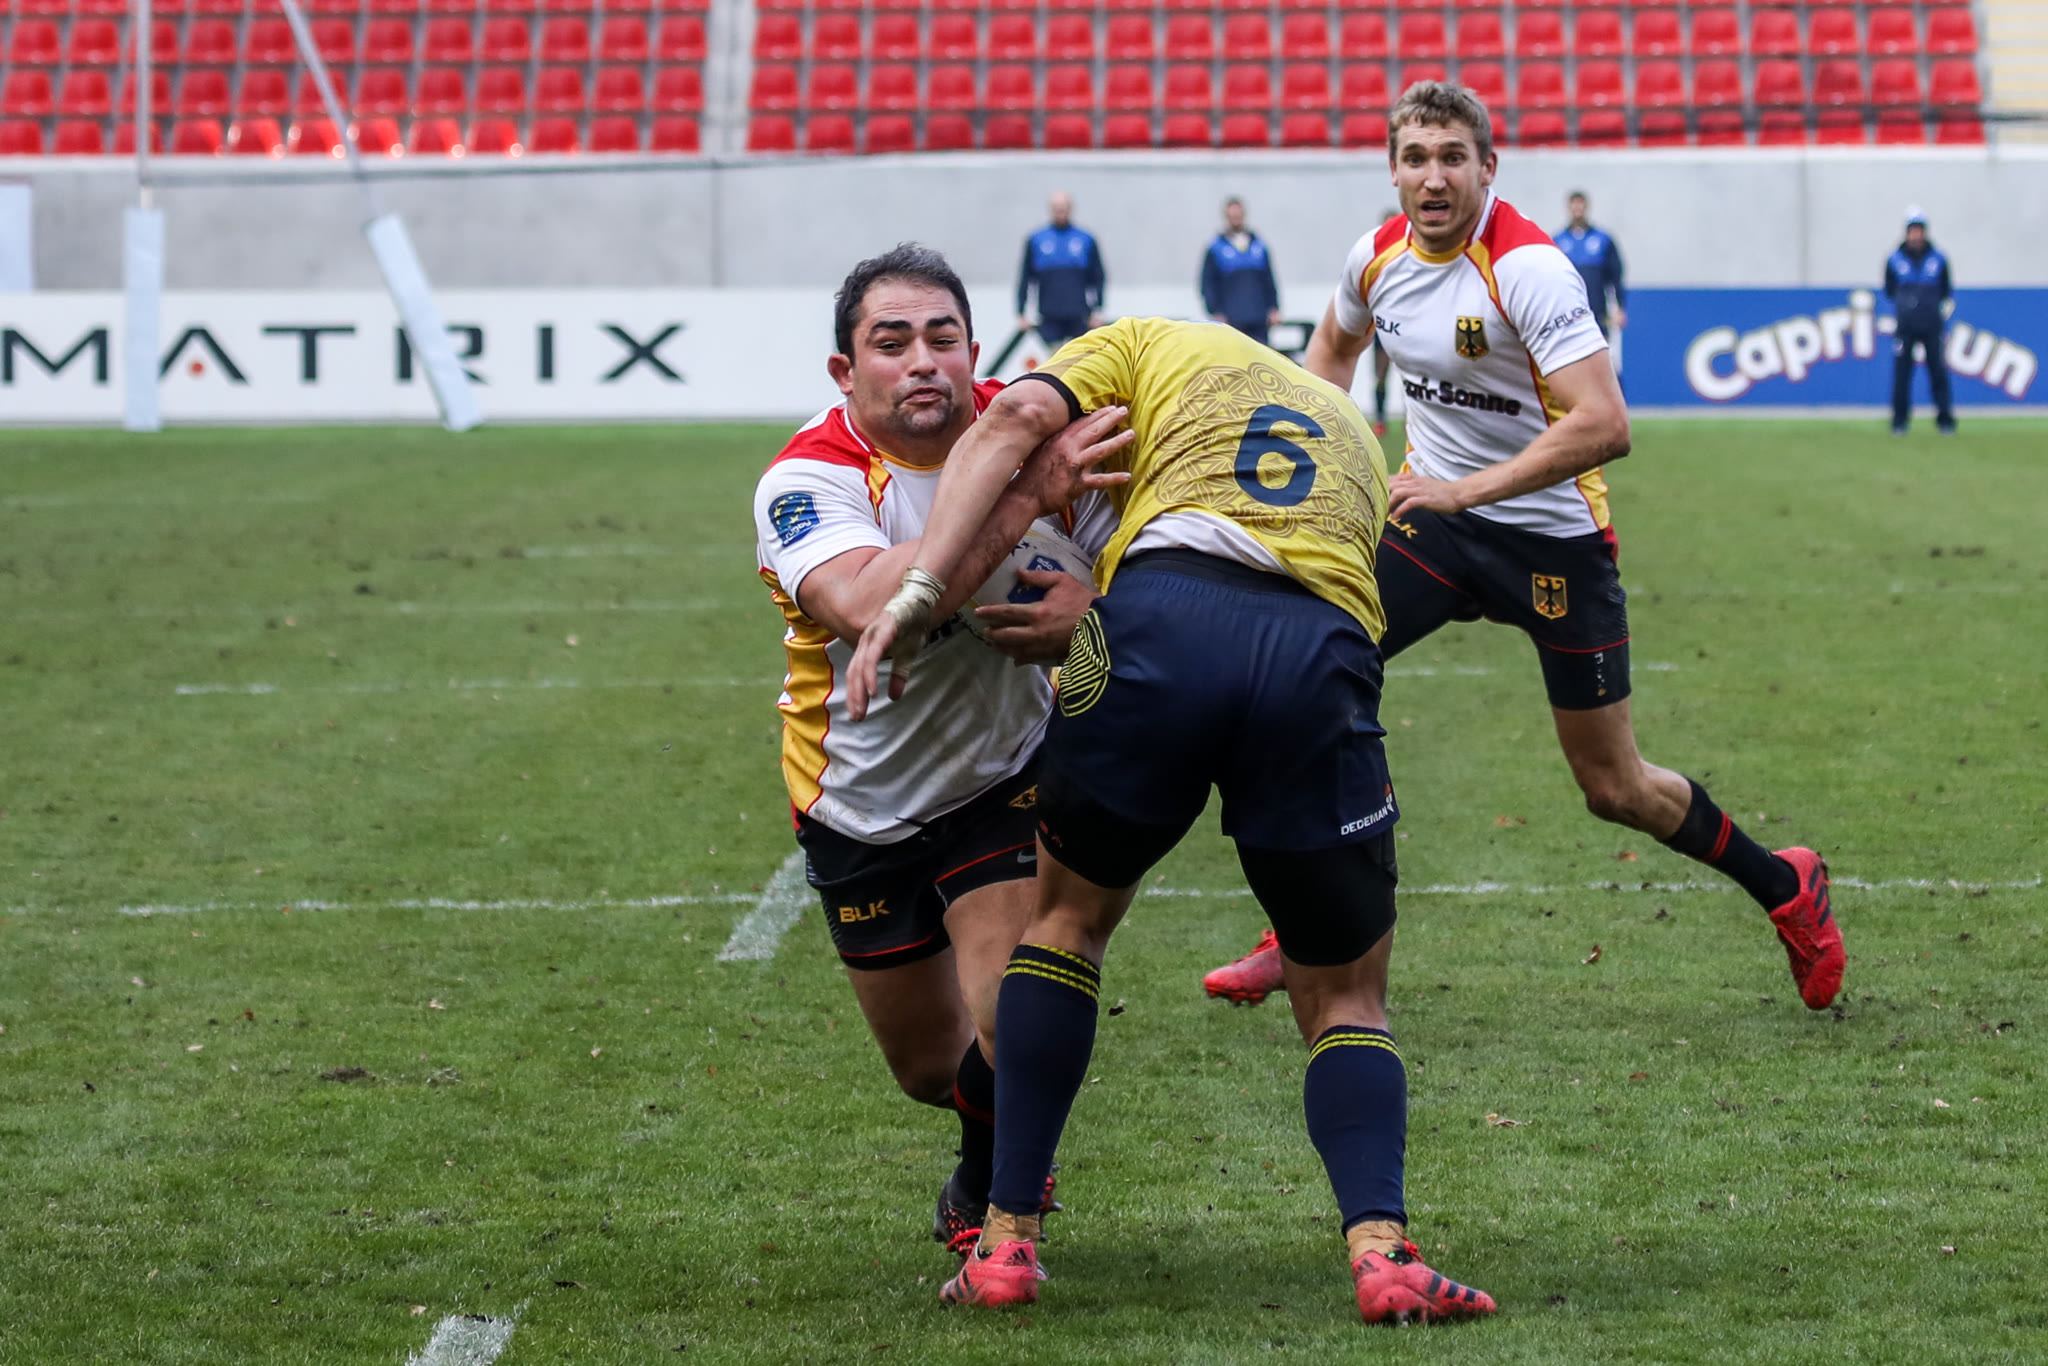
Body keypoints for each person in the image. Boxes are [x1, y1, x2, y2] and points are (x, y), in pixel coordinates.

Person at [844, 318, 1498, 1325]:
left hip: (1153, 628)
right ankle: (1383, 1253)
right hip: (1316, 657)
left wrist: (924, 589)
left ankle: (1006, 1240)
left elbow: (1016, 417)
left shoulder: (1143, 340)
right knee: (1345, 995)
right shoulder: (1352, 432)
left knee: (1064, 926)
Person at [1201, 82, 1842, 1015]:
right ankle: (1305, 930)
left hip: (1552, 540)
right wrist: (1330, 460)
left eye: (1452, 158)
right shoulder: (1375, 258)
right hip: (1433, 525)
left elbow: (1606, 423)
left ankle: (1785, 884)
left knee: (1614, 787)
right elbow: (1332, 353)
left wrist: (1463, 488)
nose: (1433, 178)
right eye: (1416, 159)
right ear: (1393, 171)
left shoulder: (1530, 268)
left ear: (1487, 169)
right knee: (1300, 673)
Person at [751, 244, 1126, 1261]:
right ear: (846, 371)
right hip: (854, 800)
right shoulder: (808, 478)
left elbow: (1159, 568)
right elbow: (869, 608)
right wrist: (1022, 498)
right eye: (892, 342)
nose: (922, 361)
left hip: (1007, 771)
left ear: (974, 349)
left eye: (942, 337)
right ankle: (986, 1150)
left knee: (1013, 1014)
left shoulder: (1043, 432)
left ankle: (992, 1200)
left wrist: (1099, 617)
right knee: (929, 1069)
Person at [1884, 206, 1956, 435]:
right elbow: (1889, 290)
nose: (1916, 235)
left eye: (1919, 230)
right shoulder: (1895, 260)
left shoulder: (1938, 259)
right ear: (1906, 232)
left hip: (1932, 325)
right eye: (1912, 230)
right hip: (1905, 326)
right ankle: (1899, 422)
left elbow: (1946, 290)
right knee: (1902, 376)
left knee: (1938, 373)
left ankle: (1945, 420)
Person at [1015, 192, 1106, 351]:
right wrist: (1021, 312)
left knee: (1080, 360)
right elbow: (1025, 278)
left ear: (1070, 209)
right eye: (1057, 208)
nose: (1060, 211)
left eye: (1064, 207)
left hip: (1078, 315)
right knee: (1053, 360)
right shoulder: (1037, 239)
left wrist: (1098, 310)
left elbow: (1098, 277)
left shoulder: (1085, 239)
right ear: (1050, 209)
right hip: (1049, 316)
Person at [1199, 197, 1281, 345]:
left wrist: (1274, 307)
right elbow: (1207, 284)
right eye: (1232, 215)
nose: (1235, 218)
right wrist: (1215, 311)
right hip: (1231, 320)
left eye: (1238, 215)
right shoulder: (1216, 249)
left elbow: (1269, 280)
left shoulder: (1258, 246)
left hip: (1258, 318)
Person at [1553, 190, 1627, 342]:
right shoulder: (1558, 241)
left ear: (1586, 207)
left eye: (1581, 204)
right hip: (1566, 313)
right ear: (1569, 207)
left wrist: (1619, 307)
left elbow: (1616, 276)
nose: (1577, 208)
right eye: (1574, 204)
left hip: (1596, 310)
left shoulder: (1603, 239)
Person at [1367, 207, 1400, 435]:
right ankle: (1380, 419)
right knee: (1380, 376)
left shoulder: (1412, 256)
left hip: (1408, 328)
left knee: (1413, 378)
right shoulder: (1374, 258)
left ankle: (1414, 421)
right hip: (1382, 327)